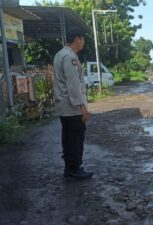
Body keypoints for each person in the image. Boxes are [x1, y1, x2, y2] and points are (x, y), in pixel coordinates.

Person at [53, 29, 93, 180]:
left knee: (69, 139)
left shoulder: (60, 54)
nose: (84, 43)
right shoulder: (70, 58)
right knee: (75, 139)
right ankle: (74, 169)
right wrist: (83, 108)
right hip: (72, 108)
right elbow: (74, 86)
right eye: (83, 39)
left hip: (66, 107)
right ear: (77, 38)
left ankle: (70, 169)